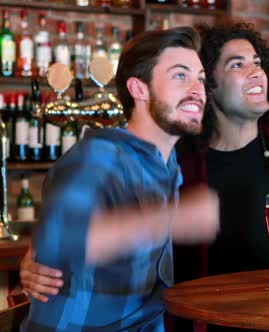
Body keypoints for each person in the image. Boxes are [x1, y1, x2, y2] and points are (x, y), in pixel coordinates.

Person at [21, 1, 269, 328]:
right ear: (210, 90)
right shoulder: (170, 157)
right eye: (236, 64)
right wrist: (39, 255)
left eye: (258, 61)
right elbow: (71, 227)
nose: (256, 71)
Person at [21, 27, 221, 331]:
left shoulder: (167, 164)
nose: (197, 89)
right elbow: (60, 243)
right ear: (139, 89)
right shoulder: (99, 155)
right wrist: (172, 219)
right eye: (180, 76)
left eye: (201, 79)